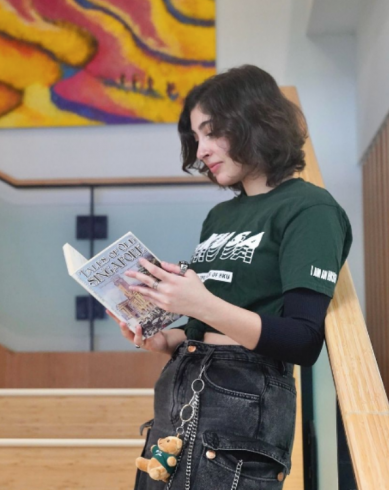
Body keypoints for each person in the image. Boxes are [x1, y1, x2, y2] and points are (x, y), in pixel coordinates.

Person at [107, 65, 352, 490]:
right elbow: (214, 319)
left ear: (253, 122)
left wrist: (199, 302)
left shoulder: (310, 209)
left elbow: (302, 339)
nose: (200, 150)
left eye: (211, 132)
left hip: (244, 398)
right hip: (183, 386)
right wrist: (165, 339)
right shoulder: (220, 216)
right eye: (195, 137)